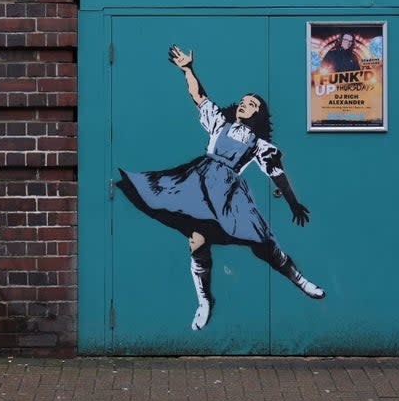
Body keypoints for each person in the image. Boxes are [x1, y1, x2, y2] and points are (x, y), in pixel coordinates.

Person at [116, 45, 326, 331]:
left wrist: (292, 202)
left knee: (262, 241)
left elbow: (276, 173)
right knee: (197, 240)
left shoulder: (258, 144)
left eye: (251, 104)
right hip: (198, 182)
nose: (244, 104)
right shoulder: (219, 124)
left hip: (228, 192)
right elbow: (198, 97)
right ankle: (204, 301)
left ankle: (301, 281)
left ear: (259, 114)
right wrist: (188, 69)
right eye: (242, 101)